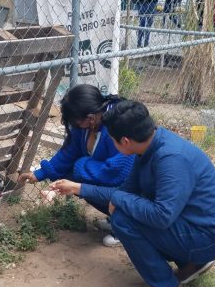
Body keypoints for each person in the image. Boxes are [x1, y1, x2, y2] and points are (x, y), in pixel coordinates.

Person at [51, 100, 215, 287]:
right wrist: (78, 188)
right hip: (195, 225)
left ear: (125, 141)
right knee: (124, 207)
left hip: (209, 237)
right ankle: (190, 261)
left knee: (122, 219)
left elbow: (161, 216)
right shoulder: (150, 145)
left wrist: (119, 201)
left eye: (112, 140)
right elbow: (125, 191)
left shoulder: (170, 159)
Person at [18, 84, 135, 247]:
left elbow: (119, 172)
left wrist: (81, 166)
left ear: (90, 117)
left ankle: (126, 226)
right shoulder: (88, 123)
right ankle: (116, 217)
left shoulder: (116, 125)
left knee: (77, 179)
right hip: (106, 177)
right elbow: (69, 152)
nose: (73, 125)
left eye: (75, 121)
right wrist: (39, 173)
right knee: (71, 179)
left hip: (130, 186)